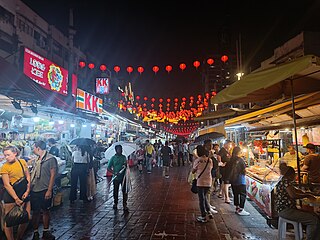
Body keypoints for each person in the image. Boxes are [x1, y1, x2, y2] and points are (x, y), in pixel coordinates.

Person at [275, 166, 320, 240]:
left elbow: (295, 191)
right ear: (290, 174)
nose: (295, 176)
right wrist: (307, 195)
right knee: (313, 220)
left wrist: (306, 193)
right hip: (286, 210)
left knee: (314, 215)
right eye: (294, 174)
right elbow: (293, 195)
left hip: (284, 209)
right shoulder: (286, 181)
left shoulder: (283, 180)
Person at [0, 145, 31, 240]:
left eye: (8, 155)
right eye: (5, 155)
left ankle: (19, 237)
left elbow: (28, 177)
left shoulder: (22, 162)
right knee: (9, 221)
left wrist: (27, 190)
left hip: (24, 192)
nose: (6, 157)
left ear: (15, 153)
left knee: (27, 218)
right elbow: (7, 185)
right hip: (11, 195)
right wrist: (16, 199)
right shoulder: (4, 167)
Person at [30, 140, 58, 240]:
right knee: (36, 211)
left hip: (45, 189)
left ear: (38, 148)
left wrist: (49, 190)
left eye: (34, 147)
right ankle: (36, 232)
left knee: (46, 210)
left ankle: (46, 231)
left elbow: (53, 174)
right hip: (35, 189)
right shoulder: (37, 159)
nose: (33, 149)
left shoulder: (51, 159)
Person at [192, 145, 214, 223]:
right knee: (204, 197)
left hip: (200, 181)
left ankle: (203, 216)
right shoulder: (210, 160)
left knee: (201, 199)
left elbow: (193, 171)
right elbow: (210, 168)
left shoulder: (197, 160)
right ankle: (209, 211)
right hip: (208, 181)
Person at [229, 146, 250, 216]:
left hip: (233, 180)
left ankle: (237, 207)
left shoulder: (231, 159)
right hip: (240, 180)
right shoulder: (240, 160)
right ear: (238, 152)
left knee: (235, 194)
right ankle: (241, 209)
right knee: (243, 194)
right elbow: (244, 170)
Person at [107, 145, 129, 212]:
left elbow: (125, 165)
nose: (121, 150)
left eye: (121, 149)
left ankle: (124, 204)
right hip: (116, 178)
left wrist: (125, 166)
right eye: (119, 149)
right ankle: (115, 203)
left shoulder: (124, 157)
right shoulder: (113, 158)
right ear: (116, 150)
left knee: (124, 191)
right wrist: (114, 173)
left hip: (123, 177)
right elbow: (108, 168)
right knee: (115, 191)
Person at [203, 139, 218, 214]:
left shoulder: (210, 152)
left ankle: (208, 204)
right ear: (205, 145)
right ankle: (207, 207)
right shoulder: (205, 154)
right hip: (209, 174)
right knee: (208, 191)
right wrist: (210, 156)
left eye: (211, 144)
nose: (211, 146)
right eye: (209, 144)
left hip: (213, 173)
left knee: (210, 190)